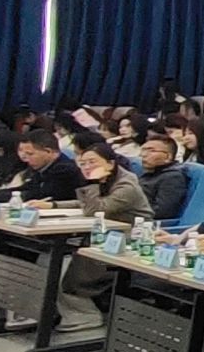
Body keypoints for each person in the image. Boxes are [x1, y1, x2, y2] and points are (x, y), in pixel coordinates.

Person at [56, 140, 156, 332]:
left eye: (92, 162)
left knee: (74, 270)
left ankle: (87, 316)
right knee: (65, 262)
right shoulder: (107, 180)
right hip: (107, 233)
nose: (87, 167)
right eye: (83, 163)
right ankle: (72, 311)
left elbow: (96, 209)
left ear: (110, 163)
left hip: (133, 238)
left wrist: (92, 182)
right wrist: (53, 206)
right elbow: (86, 204)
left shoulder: (126, 185)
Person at [0, 128, 81, 203]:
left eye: (30, 154)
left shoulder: (65, 170)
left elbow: (39, 195)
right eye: (20, 151)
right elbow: (26, 188)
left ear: (48, 151)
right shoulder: (42, 168)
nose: (25, 159)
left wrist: (11, 195)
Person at [135, 130, 189, 224]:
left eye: (152, 151)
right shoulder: (149, 173)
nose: (143, 155)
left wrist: (129, 210)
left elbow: (162, 212)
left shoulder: (173, 177)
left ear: (168, 157)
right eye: (143, 150)